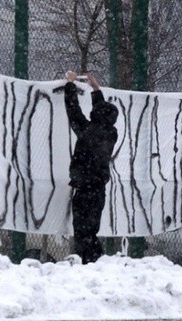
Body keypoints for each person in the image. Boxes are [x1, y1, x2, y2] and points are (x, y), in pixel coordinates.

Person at [64, 70, 118, 263]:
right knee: (91, 229)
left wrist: (70, 85)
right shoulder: (112, 133)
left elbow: (73, 110)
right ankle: (94, 261)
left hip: (85, 186)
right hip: (98, 188)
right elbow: (102, 113)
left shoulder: (87, 131)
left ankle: (88, 261)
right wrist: (96, 89)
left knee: (82, 228)